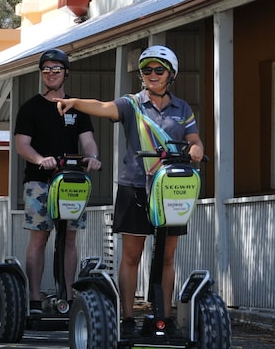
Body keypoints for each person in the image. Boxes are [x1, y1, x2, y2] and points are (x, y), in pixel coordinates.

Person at [56, 44, 204, 336]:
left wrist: (197, 150)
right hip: (134, 185)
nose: (152, 74)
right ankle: (127, 318)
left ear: (170, 74)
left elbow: (195, 140)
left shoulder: (182, 108)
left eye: (158, 70)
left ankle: (162, 316)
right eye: (146, 70)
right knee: (131, 256)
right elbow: (103, 107)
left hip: (169, 190)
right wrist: (75, 102)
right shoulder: (132, 103)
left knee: (167, 256)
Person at [14, 48, 101, 313]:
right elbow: (21, 145)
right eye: (46, 70)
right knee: (39, 238)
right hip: (40, 181)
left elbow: (88, 142)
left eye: (56, 69)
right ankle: (34, 298)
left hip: (71, 181)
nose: (51, 74)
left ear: (66, 72)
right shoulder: (31, 108)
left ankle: (68, 298)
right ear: (41, 74)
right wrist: (41, 159)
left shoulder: (76, 107)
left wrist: (94, 157)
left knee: (70, 238)